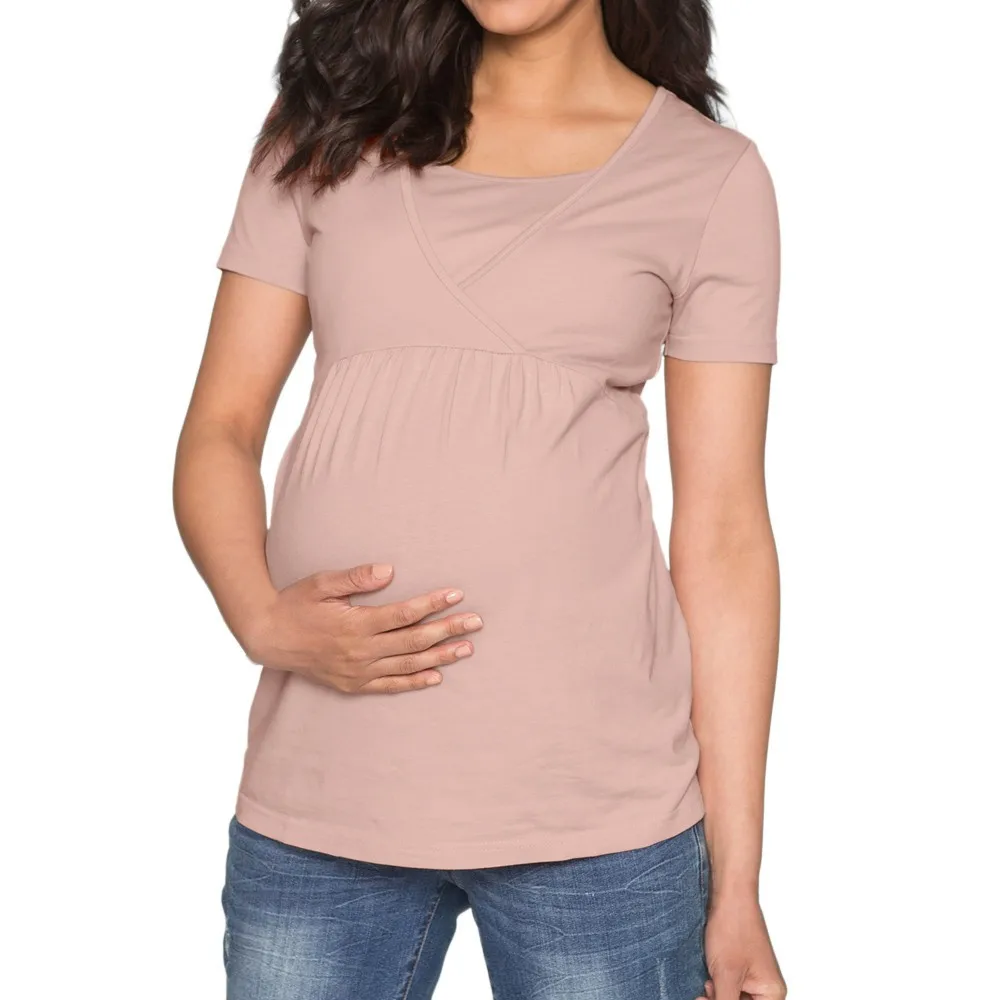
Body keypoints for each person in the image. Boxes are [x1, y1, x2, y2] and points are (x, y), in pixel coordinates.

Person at [173, 1, 785, 997]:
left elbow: (723, 535)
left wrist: (739, 886)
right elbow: (221, 428)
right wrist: (259, 618)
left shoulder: (707, 176)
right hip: (324, 793)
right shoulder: (328, 128)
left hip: (597, 815)